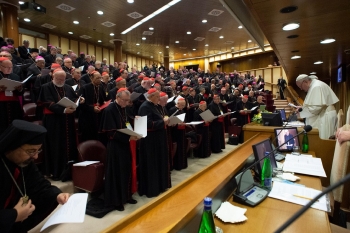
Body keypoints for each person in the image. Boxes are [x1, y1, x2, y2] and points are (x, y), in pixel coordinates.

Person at [0, 120, 70, 233]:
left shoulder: (25, 163)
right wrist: (14, 215)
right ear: (12, 146)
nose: (36, 157)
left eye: (38, 150)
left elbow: (39, 185)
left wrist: (57, 195)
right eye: (31, 151)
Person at [38, 69, 85, 181]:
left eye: (63, 79)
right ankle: (56, 171)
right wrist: (63, 110)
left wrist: (80, 100)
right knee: (56, 145)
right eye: (59, 78)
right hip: (53, 122)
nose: (61, 81)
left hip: (68, 120)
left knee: (69, 144)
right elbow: (46, 103)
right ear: (53, 77)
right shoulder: (46, 87)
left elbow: (74, 98)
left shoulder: (67, 87)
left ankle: (69, 170)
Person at [99, 88, 138, 211]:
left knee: (126, 171)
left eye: (128, 101)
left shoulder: (123, 108)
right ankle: (117, 201)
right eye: (125, 100)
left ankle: (126, 196)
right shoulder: (110, 110)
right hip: (115, 147)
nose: (127, 103)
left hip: (125, 145)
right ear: (118, 98)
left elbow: (125, 123)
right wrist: (128, 136)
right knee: (117, 174)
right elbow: (110, 133)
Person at [138, 88, 171, 198]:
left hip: (158, 139)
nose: (159, 98)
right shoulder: (145, 107)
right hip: (150, 141)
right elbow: (147, 124)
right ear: (151, 96)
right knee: (152, 164)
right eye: (157, 96)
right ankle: (152, 189)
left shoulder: (154, 106)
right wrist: (163, 121)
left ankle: (161, 185)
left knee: (159, 162)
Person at [296, 74, 339, 139]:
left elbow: (315, 108)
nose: (301, 89)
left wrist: (301, 112)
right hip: (324, 114)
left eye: (300, 86)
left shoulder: (316, 86)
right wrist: (302, 108)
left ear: (305, 82)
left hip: (325, 116)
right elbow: (315, 105)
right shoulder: (315, 85)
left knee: (323, 140)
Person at [79, 71, 106, 142]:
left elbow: (103, 100)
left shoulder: (101, 87)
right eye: (97, 78)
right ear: (91, 78)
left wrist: (104, 104)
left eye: (100, 78)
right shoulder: (84, 88)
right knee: (89, 136)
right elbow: (81, 104)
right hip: (88, 117)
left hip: (99, 115)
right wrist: (92, 108)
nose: (99, 80)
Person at [0, 57, 23, 134]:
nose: (10, 69)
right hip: (1, 105)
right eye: (7, 67)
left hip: (14, 105)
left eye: (11, 67)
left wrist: (19, 89)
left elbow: (20, 93)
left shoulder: (15, 76)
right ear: (0, 67)